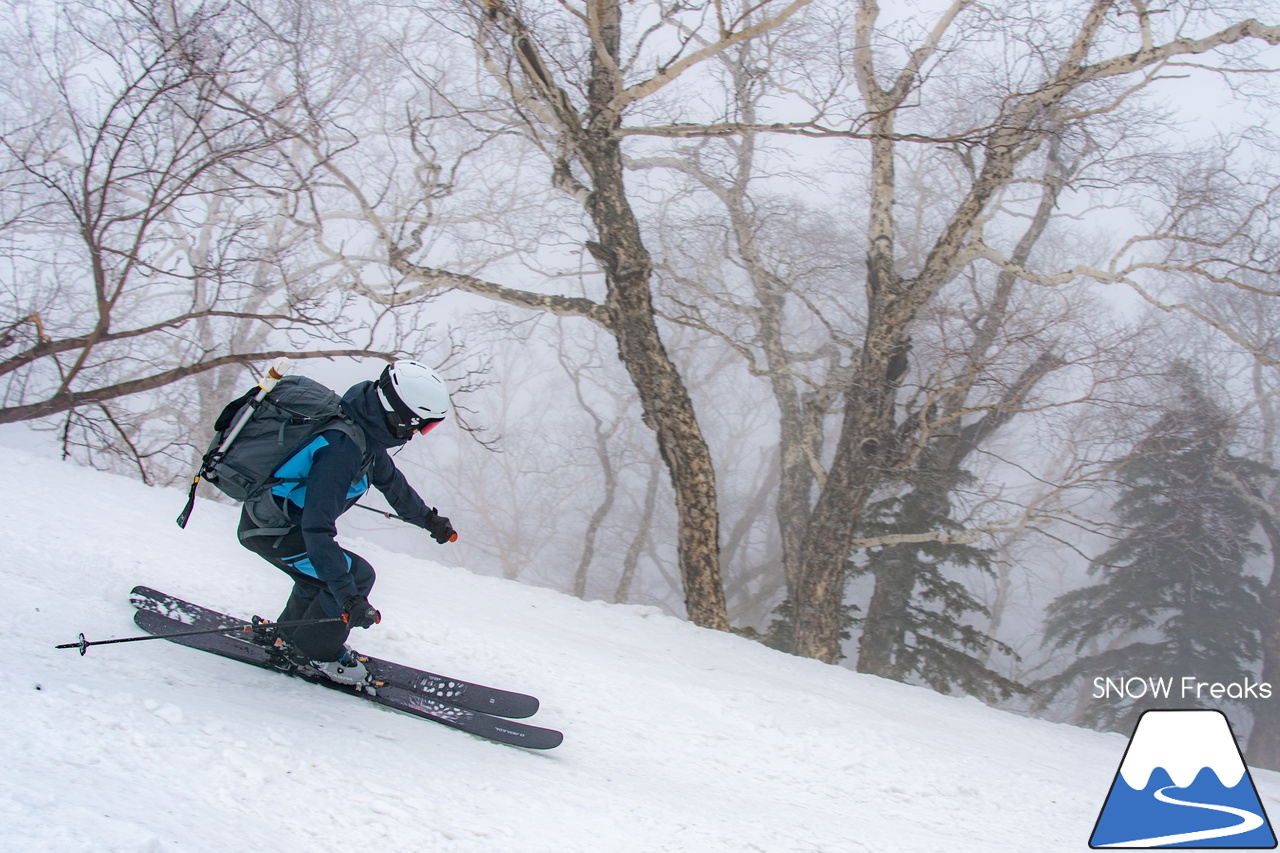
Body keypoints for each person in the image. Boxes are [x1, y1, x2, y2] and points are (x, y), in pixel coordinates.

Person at [236, 360, 457, 688]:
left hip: (281, 524)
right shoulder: (342, 450)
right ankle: (317, 652)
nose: (417, 434)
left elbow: (391, 483)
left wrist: (428, 520)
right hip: (272, 530)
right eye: (422, 426)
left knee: (321, 579)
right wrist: (349, 598)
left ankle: (290, 638)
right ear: (402, 417)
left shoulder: (363, 433)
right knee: (354, 576)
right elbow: (317, 529)